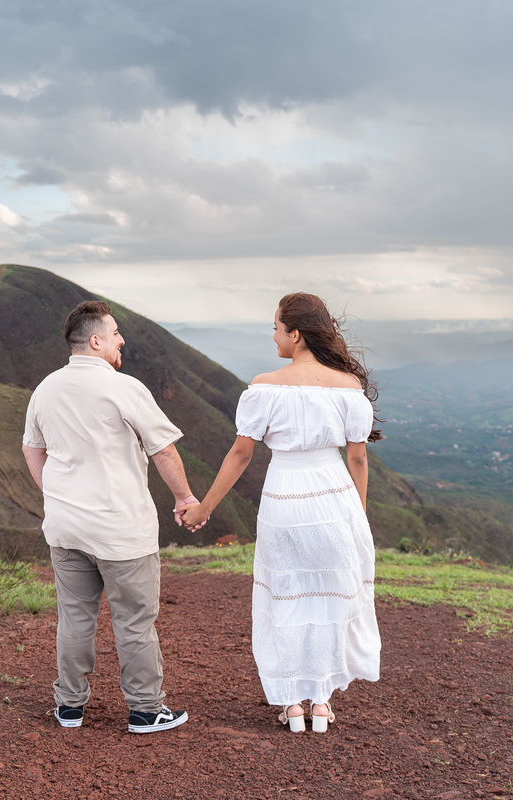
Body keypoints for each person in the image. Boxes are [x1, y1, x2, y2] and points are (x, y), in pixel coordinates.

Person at [179, 292, 381, 733]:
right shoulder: (348, 387)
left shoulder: (265, 387)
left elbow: (239, 454)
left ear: (295, 333)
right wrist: (357, 517)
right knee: (328, 596)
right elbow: (358, 460)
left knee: (285, 598)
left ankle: (292, 704)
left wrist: (204, 508)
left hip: (284, 499)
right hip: (333, 499)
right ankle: (322, 705)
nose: (272, 335)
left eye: (275, 327)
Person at [22, 300, 198, 734]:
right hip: (120, 528)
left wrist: (55, 494)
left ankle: (69, 706)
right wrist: (184, 498)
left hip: (66, 528)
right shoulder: (124, 387)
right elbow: (164, 450)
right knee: (134, 621)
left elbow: (31, 448)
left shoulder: (45, 388)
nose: (122, 340)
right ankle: (145, 710)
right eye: (116, 333)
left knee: (75, 616)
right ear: (96, 340)